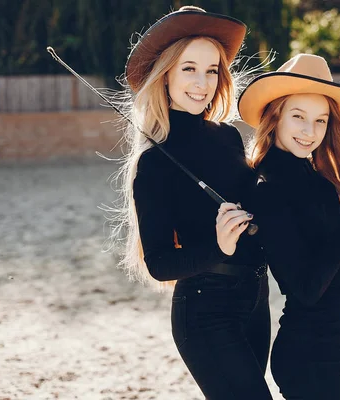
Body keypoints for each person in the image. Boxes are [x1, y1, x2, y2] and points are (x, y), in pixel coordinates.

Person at [113, 6, 272, 399]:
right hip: (205, 312)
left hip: (257, 299)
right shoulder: (155, 161)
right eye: (189, 69)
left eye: (212, 69)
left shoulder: (230, 137)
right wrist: (218, 246)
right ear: (164, 75)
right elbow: (161, 264)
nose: (202, 82)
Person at [239, 54, 340, 399]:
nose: (309, 131)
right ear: (276, 117)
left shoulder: (323, 184)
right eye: (298, 117)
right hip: (306, 358)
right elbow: (307, 289)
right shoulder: (265, 190)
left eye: (321, 120)